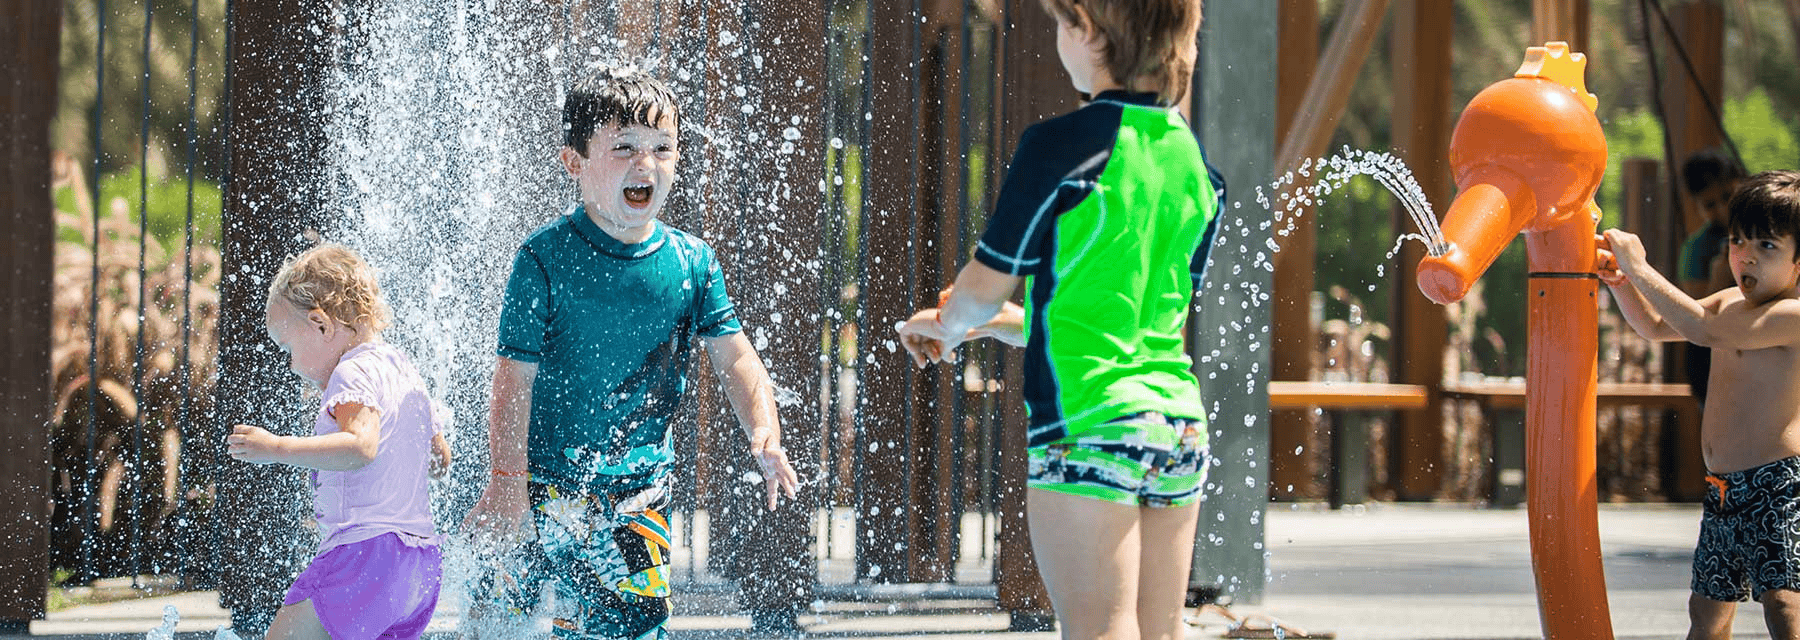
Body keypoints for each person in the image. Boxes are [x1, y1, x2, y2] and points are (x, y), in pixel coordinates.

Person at [896, 0, 1221, 636]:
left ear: (1088, 32)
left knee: (1099, 630)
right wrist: (995, 325)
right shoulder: (1195, 168)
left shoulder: (1059, 149)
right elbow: (1120, 324)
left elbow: (982, 288)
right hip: (1178, 428)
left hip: (1089, 425)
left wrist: (954, 321)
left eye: (1059, 24)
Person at [460, 68, 799, 640]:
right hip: (536, 486)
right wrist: (506, 480)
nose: (646, 164)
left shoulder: (691, 264)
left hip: (637, 497)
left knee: (634, 628)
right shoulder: (544, 260)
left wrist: (763, 429)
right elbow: (512, 379)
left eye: (662, 148)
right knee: (498, 622)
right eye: (624, 148)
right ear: (575, 161)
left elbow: (736, 356)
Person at [1598, 170, 1800, 640]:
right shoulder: (1729, 300)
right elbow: (1654, 326)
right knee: (1706, 613)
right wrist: (1622, 281)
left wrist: (1642, 267)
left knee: (1785, 606)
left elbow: (1704, 332)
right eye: (1737, 241)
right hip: (1724, 489)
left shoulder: (1791, 315)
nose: (1745, 255)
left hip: (1779, 485)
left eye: (1767, 246)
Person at [227, 243, 453, 640]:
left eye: (288, 348)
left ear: (320, 325)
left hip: (367, 556)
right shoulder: (404, 370)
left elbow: (360, 446)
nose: (292, 364)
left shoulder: (352, 373)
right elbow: (439, 459)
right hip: (419, 566)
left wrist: (276, 448)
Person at [1676, 149, 1746, 405]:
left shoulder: (1767, 228)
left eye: (1728, 196)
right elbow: (1696, 315)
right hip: (1714, 362)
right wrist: (1722, 277)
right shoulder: (1699, 247)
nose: (1723, 209)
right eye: (1710, 205)